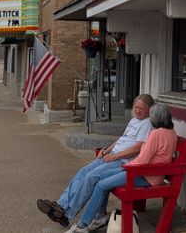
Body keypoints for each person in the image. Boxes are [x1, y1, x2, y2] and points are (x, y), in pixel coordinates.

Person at [37, 94, 154, 228]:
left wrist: (114, 157)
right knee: (83, 172)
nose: (138, 111)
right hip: (113, 155)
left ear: (149, 110)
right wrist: (107, 150)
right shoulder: (134, 120)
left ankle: (66, 213)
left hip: (122, 162)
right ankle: (61, 204)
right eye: (136, 107)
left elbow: (137, 148)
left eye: (142, 109)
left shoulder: (147, 123)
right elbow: (123, 139)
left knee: (91, 177)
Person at [67, 103, 178, 233]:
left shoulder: (156, 134)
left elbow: (143, 160)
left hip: (145, 176)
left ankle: (82, 225)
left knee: (101, 185)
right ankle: (97, 218)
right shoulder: (172, 133)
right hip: (150, 173)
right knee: (101, 176)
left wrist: (125, 166)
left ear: (156, 118)